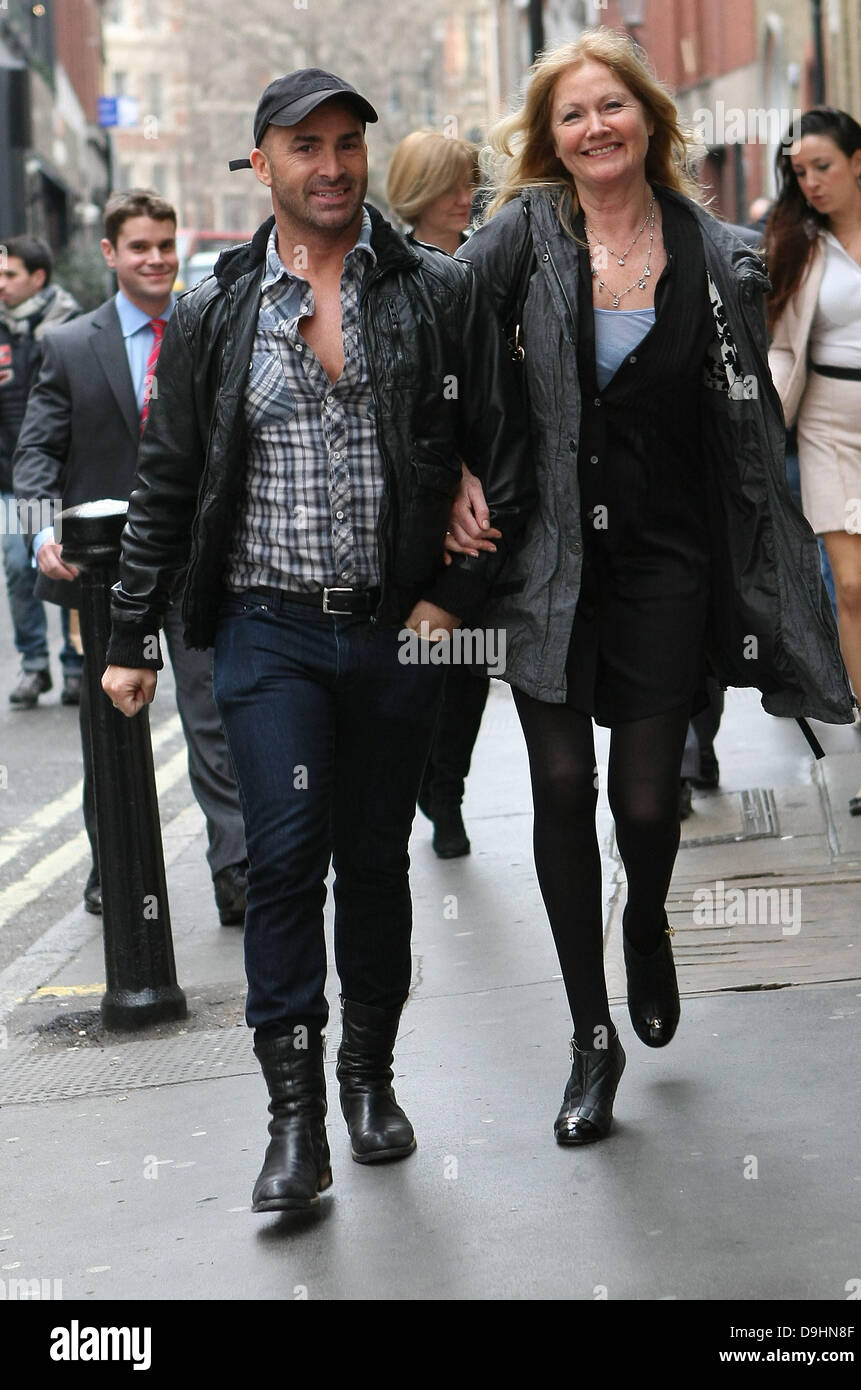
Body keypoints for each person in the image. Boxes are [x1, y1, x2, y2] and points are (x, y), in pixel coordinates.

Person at [100, 69, 533, 1212]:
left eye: (348, 144)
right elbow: (168, 478)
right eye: (305, 147)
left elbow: (511, 455)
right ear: (262, 165)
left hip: (399, 628)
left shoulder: (437, 291)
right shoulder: (213, 309)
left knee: (376, 861)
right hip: (266, 626)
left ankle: (369, 1080)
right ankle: (292, 1120)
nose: (332, 165)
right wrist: (130, 633)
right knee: (284, 860)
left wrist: (450, 595)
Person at [449, 29, 852, 1144]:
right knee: (561, 784)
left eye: (611, 108)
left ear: (648, 122)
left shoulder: (716, 253)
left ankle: (649, 925)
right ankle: (589, 1037)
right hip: (545, 566)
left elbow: (739, 424)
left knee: (643, 799)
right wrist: (458, 475)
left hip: (671, 560)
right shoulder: (514, 241)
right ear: (550, 140)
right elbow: (442, 356)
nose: (594, 129)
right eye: (572, 115)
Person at [13, 190, 248, 923]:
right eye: (140, 247)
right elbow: (36, 454)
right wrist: (39, 531)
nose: (156, 259)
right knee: (111, 729)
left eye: (166, 245)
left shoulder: (205, 330)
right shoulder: (69, 345)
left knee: (213, 721)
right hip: (104, 579)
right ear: (111, 254)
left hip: (198, 564)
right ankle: (114, 870)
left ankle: (237, 874)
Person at [766, 107, 861, 815]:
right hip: (833, 424)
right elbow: (782, 343)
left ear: (856, 160)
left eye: (822, 166)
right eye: (799, 172)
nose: (811, 182)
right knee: (852, 586)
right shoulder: (797, 243)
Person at [386, 129, 488, 856]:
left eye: (473, 182)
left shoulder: (488, 264)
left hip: (493, 497)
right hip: (414, 503)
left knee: (470, 663)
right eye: (455, 184)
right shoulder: (388, 274)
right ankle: (425, 783)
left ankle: (445, 790)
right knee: (425, 662)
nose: (468, 196)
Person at [0, 236, 81, 707]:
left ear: (38, 278)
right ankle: (34, 666)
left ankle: (76, 664)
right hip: (15, 481)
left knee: (70, 567)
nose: (2, 285)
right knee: (18, 566)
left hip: (69, 479)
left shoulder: (71, 326)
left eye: (10, 275)